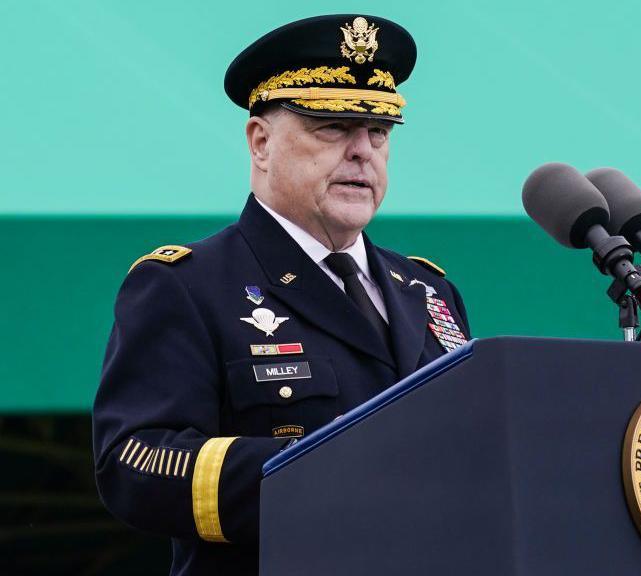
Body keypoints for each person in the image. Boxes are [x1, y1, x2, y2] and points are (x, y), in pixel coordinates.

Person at [92, 14, 470, 576]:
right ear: (261, 142)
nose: (363, 151)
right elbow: (134, 461)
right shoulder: (187, 285)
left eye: (379, 132)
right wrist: (329, 475)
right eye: (332, 128)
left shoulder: (427, 289)